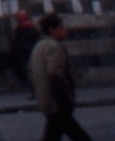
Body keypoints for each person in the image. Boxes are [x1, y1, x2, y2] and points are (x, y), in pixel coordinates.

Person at [29, 13, 91, 141]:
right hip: (57, 103)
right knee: (80, 136)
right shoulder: (54, 47)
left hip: (47, 101)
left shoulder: (38, 47)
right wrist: (67, 97)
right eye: (61, 27)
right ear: (52, 30)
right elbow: (55, 74)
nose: (65, 30)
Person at [11, 9, 41, 86]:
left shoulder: (29, 28)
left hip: (28, 53)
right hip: (24, 53)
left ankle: (34, 88)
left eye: (17, 17)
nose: (16, 19)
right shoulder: (20, 28)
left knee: (30, 71)